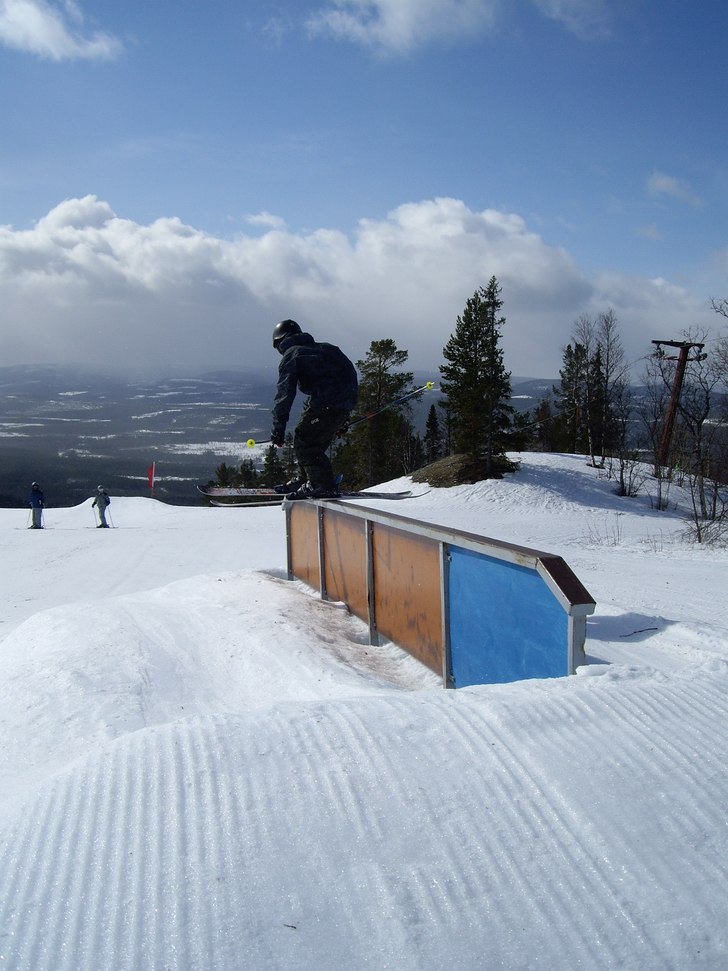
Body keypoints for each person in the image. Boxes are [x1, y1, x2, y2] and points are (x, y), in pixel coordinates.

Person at [270, 319, 358, 499]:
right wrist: (344, 415)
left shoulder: (292, 354)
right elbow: (350, 377)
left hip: (326, 404)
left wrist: (278, 428)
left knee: (305, 441)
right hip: (341, 404)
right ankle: (307, 479)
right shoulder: (328, 349)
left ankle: (320, 484)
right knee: (312, 441)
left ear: (280, 342)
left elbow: (284, 394)